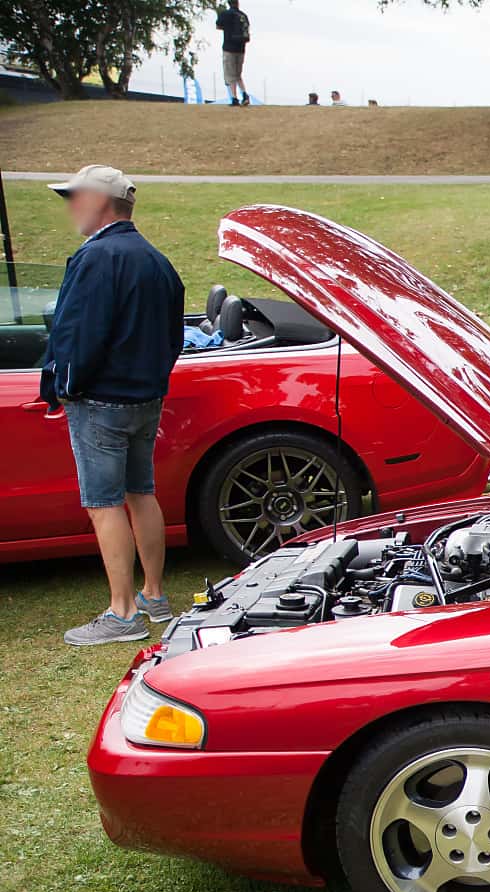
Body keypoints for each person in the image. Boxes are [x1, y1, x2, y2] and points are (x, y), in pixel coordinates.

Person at [41, 166, 185, 646]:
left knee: (103, 505)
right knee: (140, 493)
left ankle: (123, 614)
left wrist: (64, 385)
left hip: (101, 401)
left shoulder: (97, 256)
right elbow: (174, 336)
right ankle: (154, 596)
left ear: (101, 202)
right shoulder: (156, 259)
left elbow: (78, 332)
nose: (70, 206)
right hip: (145, 397)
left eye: (75, 197)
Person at [215, 0, 250, 107]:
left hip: (229, 48)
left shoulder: (225, 14)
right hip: (241, 49)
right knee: (238, 75)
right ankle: (244, 94)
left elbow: (218, 26)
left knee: (230, 75)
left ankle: (234, 98)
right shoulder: (243, 16)